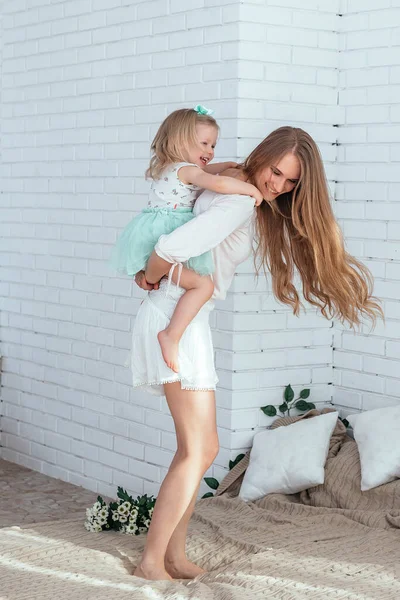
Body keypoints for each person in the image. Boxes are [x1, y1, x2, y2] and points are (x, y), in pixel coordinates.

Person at [131, 126, 383, 581]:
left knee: (200, 447)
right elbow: (169, 247)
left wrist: (155, 278)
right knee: (197, 449)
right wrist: (152, 275)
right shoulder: (239, 199)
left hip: (186, 318)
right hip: (176, 321)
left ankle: (173, 555)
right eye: (276, 172)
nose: (278, 186)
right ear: (263, 156)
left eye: (290, 182)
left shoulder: (236, 185)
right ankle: (153, 561)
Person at [110, 106, 263, 373]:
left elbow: (205, 173)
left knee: (175, 281)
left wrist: (224, 165)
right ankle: (171, 335)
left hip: (150, 233)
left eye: (213, 144)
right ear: (181, 141)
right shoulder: (189, 171)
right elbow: (219, 184)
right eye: (204, 143)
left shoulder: (171, 167)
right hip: (166, 236)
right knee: (203, 286)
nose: (211, 150)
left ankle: (155, 293)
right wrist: (250, 189)